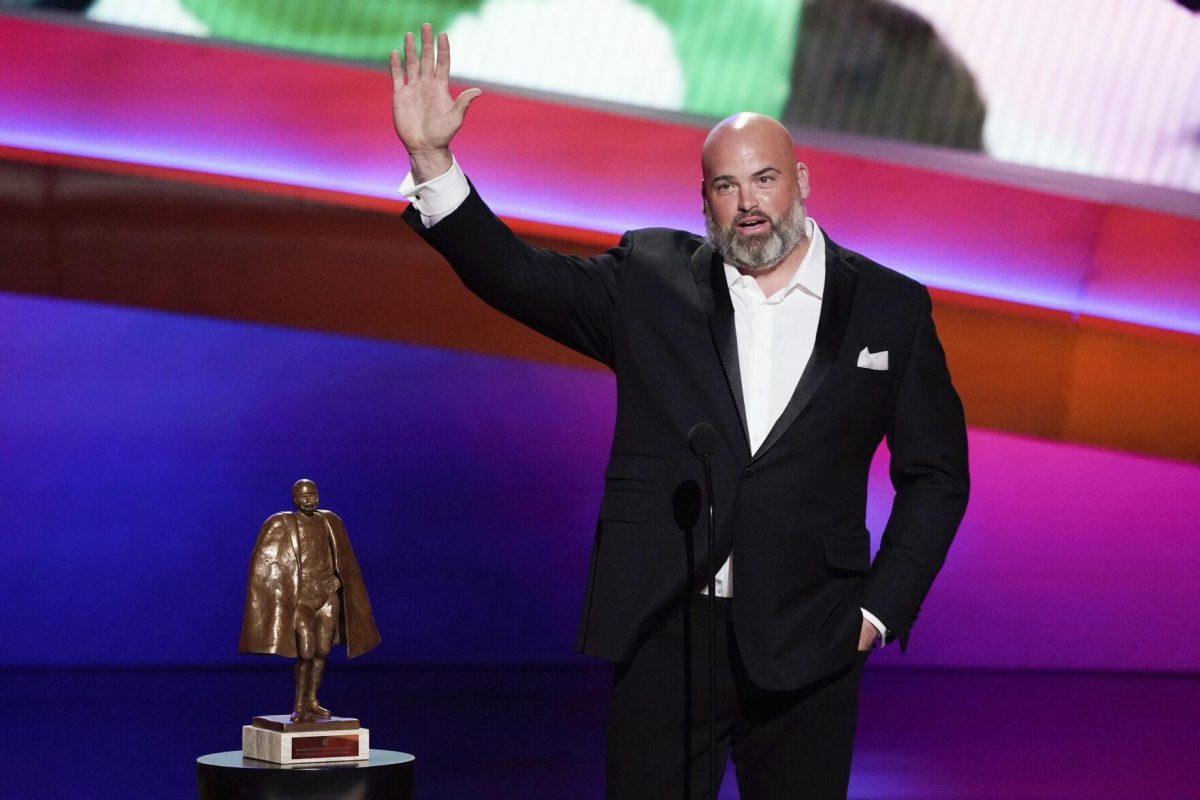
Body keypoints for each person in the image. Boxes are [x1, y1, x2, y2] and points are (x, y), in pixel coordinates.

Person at [390, 24, 968, 799]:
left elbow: (937, 476)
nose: (747, 204)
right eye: (726, 187)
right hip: (667, 630)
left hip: (813, 632)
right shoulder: (652, 280)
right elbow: (519, 278)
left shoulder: (889, 307)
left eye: (764, 179)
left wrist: (880, 609)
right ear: (705, 201)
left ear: (801, 180)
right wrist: (433, 161)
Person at [239, 479, 380, 722]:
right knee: (305, 651)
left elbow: (344, 559)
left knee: (322, 651)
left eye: (313, 494)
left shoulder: (330, 521)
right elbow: (263, 559)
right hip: (302, 598)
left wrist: (338, 579)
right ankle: (298, 705)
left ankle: (312, 700)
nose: (309, 499)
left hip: (326, 596)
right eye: (304, 496)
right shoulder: (284, 523)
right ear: (295, 500)